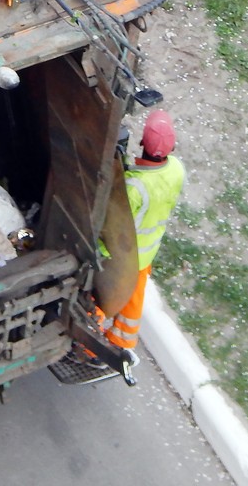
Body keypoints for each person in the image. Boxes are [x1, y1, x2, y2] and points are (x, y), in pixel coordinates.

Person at [99, 109, 186, 366]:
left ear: (141, 144)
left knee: (100, 297)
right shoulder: (177, 170)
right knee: (132, 301)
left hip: (122, 255)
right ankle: (121, 343)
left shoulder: (134, 187)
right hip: (147, 252)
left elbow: (114, 221)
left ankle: (90, 348)